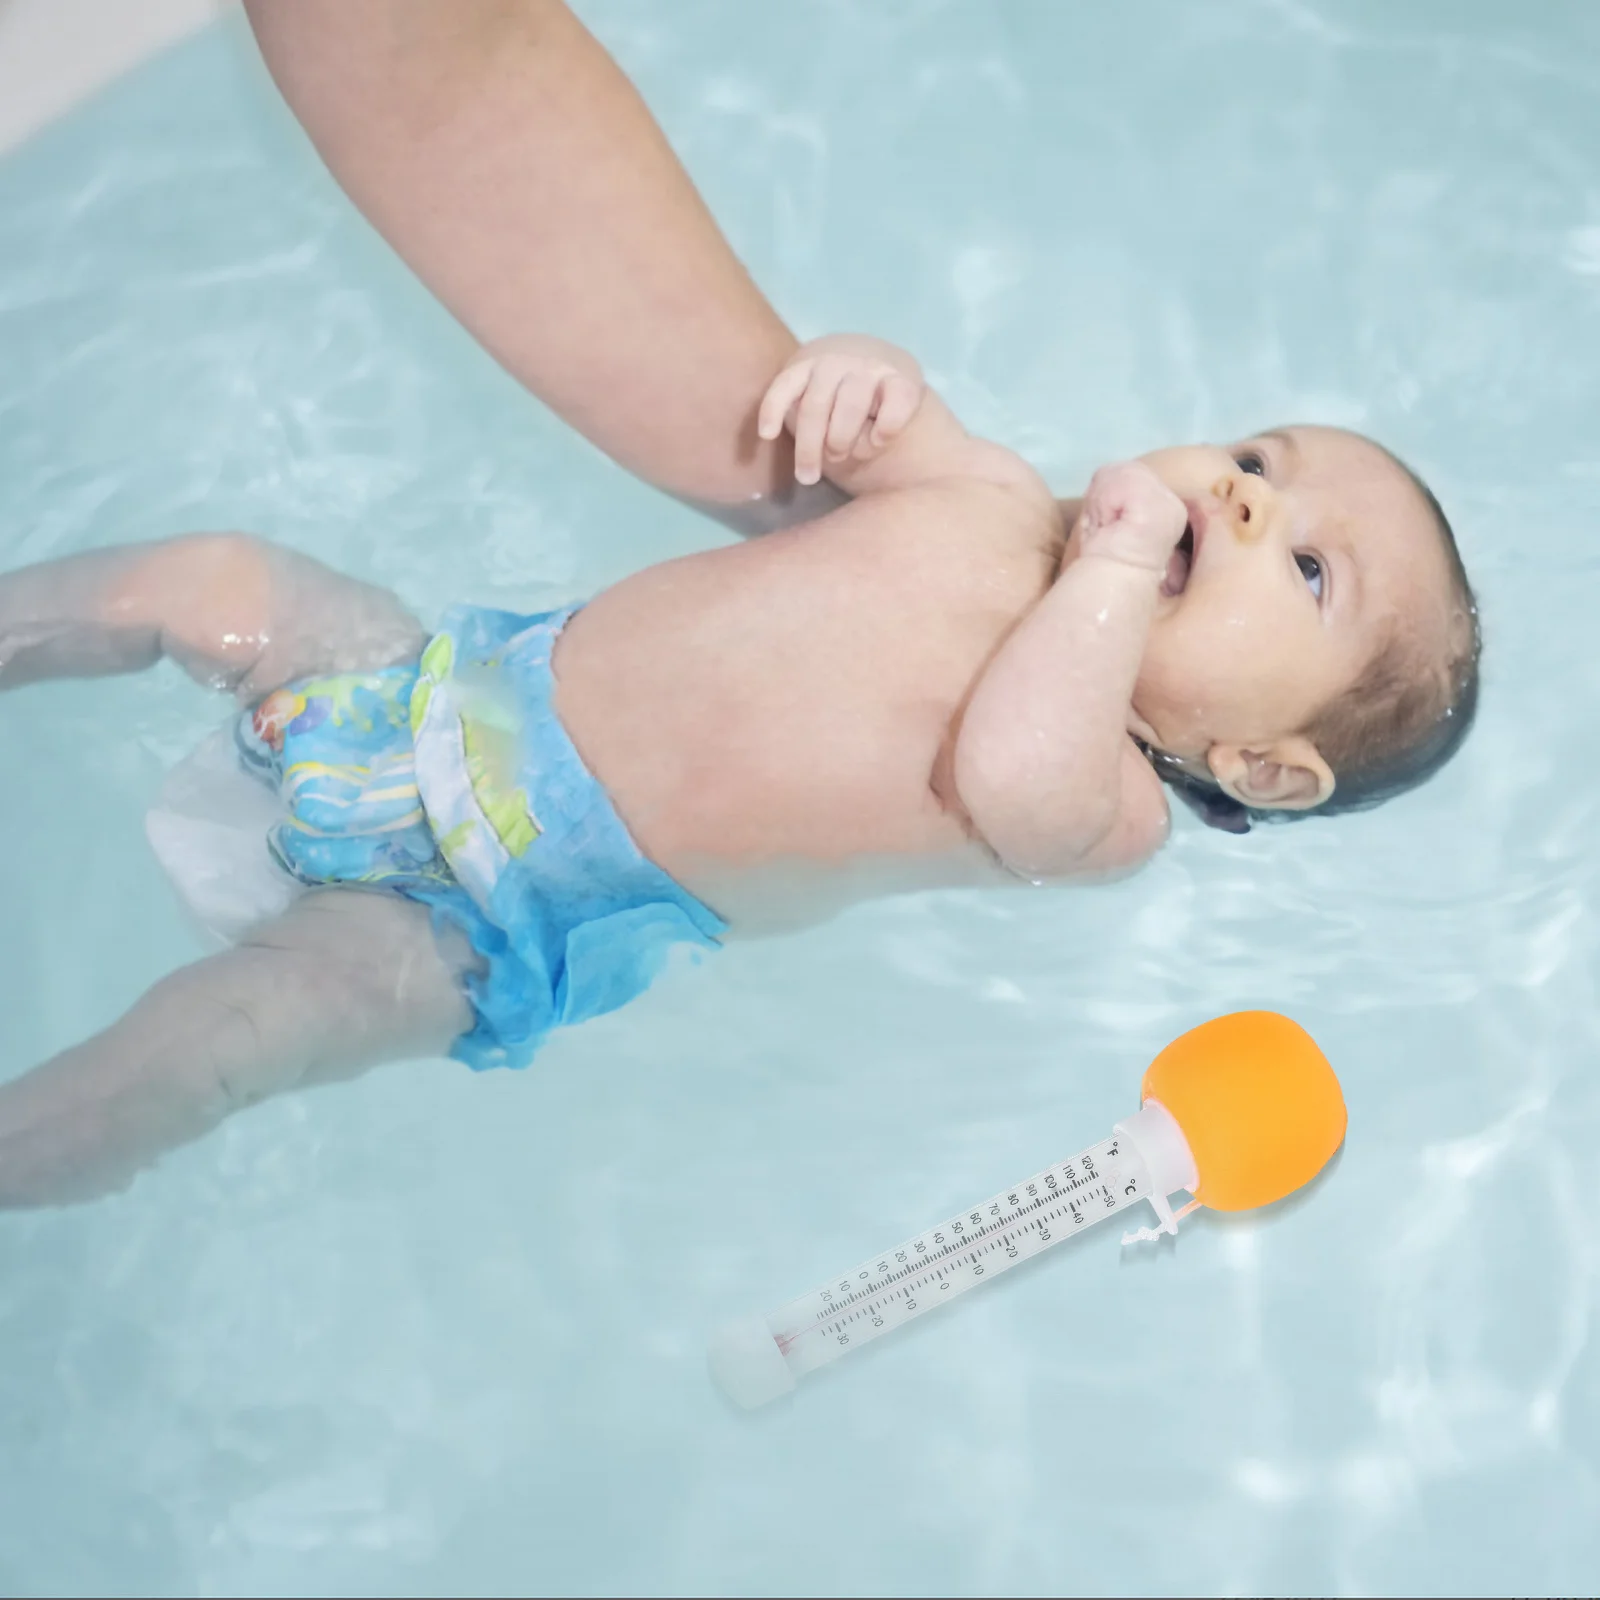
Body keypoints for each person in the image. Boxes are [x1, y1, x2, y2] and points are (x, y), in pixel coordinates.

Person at [0, 324, 1477, 1204]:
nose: (1238, 491)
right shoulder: (984, 493)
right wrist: (866, 384)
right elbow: (865, 432)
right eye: (1260, 459)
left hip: (488, 915)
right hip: (427, 688)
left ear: (1262, 768)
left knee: (210, 1048)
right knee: (210, 577)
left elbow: (1011, 783)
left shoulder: (1110, 806)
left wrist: (1105, 581)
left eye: (1303, 568)